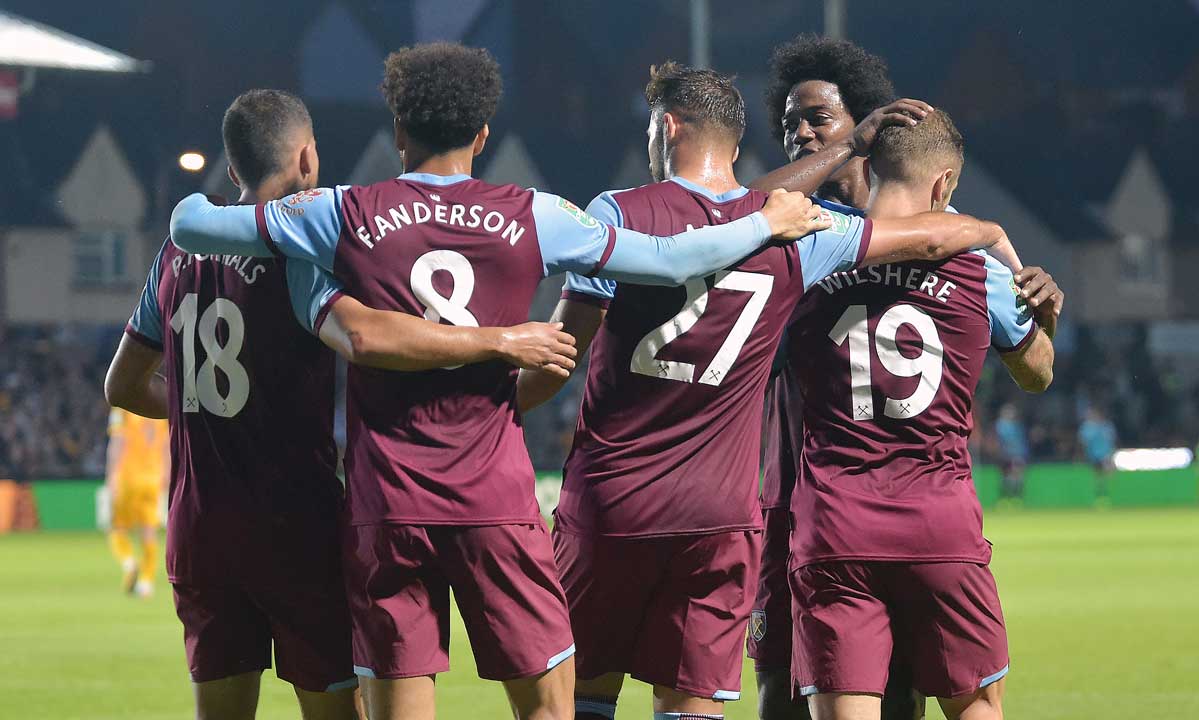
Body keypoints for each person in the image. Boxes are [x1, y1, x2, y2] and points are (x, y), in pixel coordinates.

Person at [165, 43, 830, 720]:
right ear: (484, 134)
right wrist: (762, 223)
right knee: (546, 707)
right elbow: (665, 259)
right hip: (493, 498)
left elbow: (191, 227)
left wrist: (192, 190)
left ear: (398, 132)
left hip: (389, 499)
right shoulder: (534, 213)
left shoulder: (342, 212)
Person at [514, 62, 1022, 720]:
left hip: (616, 497)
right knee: (695, 700)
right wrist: (989, 232)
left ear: (667, 129)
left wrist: (484, 405)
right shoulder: (803, 238)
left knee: (584, 693)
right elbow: (924, 234)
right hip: (724, 512)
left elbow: (560, 355)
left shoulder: (623, 212)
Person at [106, 88, 581, 720]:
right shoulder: (302, 252)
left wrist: (212, 406)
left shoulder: (176, 254)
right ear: (306, 158)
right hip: (291, 519)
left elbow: (123, 385)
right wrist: (499, 343)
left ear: (233, 164)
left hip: (198, 524)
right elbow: (362, 336)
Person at [744, 35, 1066, 720]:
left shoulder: (803, 245)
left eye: (818, 122)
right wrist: (996, 245)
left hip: (828, 511)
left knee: (882, 692)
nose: (800, 135)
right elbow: (1036, 370)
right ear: (943, 180)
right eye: (789, 126)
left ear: (867, 132)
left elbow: (736, 213)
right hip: (894, 511)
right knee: (793, 685)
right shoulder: (972, 250)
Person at [104, 407, 169, 598]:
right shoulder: (159, 408)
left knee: (117, 529)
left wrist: (111, 475)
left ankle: (129, 562)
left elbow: (117, 442)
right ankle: (146, 583)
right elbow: (167, 447)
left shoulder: (122, 409)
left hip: (127, 478)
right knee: (149, 532)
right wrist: (166, 475)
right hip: (153, 479)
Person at [1078, 405, 1117, 498]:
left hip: (1105, 454)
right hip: (1092, 455)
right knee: (1096, 475)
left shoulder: (1107, 426)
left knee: (1109, 472)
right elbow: (1082, 443)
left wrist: (1112, 453)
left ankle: (1108, 493)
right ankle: (1099, 493)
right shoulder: (1086, 428)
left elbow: (1112, 440)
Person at [995, 404, 1029, 499]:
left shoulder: (1017, 425)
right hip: (1006, 454)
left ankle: (1016, 496)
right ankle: (1006, 496)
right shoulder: (1000, 425)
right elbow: (1001, 440)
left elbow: (1022, 440)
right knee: (1007, 475)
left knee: (1018, 474)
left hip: (1018, 453)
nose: (1010, 414)